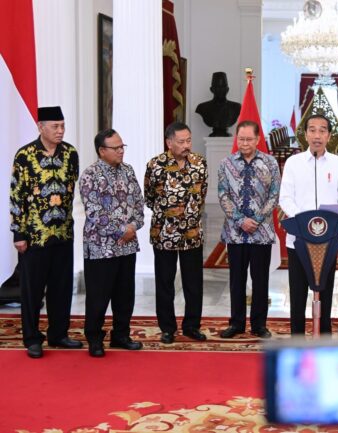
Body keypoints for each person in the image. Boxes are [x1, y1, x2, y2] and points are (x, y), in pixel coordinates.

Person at [9, 106, 82, 358]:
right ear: (41, 127)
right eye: (55, 126)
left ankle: (58, 334)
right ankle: (32, 338)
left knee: (62, 286)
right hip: (34, 235)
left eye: (63, 126)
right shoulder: (25, 155)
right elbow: (16, 195)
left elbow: (71, 189)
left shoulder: (71, 153)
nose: (61, 131)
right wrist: (18, 233)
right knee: (32, 289)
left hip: (62, 232)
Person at [279, 114, 338, 334]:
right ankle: (297, 338)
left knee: (325, 290)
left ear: (330, 136)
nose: (317, 135)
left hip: (328, 240)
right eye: (312, 130)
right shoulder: (294, 162)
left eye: (322, 130)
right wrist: (304, 223)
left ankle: (323, 336)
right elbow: (285, 198)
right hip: (299, 239)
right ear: (305, 135)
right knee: (298, 291)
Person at [79, 129, 145, 357]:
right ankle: (95, 339)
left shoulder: (128, 171)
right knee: (98, 296)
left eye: (122, 146)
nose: (120, 151)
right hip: (100, 248)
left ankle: (121, 335)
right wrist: (120, 229)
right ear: (101, 151)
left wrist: (133, 226)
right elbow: (94, 212)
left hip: (127, 245)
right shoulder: (90, 175)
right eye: (115, 148)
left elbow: (139, 202)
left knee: (125, 295)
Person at [144, 122, 208, 344]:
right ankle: (167, 328)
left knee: (194, 283)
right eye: (181, 142)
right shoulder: (155, 165)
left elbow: (202, 193)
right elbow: (149, 197)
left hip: (192, 232)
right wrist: (169, 214)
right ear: (169, 143)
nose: (186, 145)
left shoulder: (200, 163)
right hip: (164, 233)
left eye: (188, 140)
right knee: (165, 282)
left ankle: (192, 326)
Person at [217, 120, 281, 339]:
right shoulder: (226, 163)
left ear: (257, 139)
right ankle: (236, 323)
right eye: (241, 139)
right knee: (236, 280)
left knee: (260, 280)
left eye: (249, 139)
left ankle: (259, 324)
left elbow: (274, 195)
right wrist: (239, 219)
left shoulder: (270, 163)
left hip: (261, 232)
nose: (244, 143)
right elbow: (223, 194)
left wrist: (257, 219)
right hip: (235, 233)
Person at [195, 72, 241, 137]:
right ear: (211, 89)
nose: (220, 90)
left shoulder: (236, 107)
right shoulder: (202, 107)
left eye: (223, 87)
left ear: (227, 89)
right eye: (217, 87)